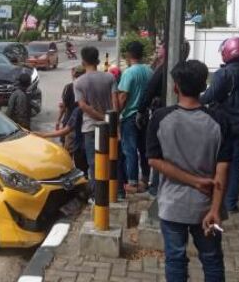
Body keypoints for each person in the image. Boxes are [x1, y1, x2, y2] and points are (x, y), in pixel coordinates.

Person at [147, 60, 230, 282]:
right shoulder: (218, 120)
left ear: (175, 87)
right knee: (212, 259)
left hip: (172, 205)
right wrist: (215, 209)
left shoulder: (160, 118)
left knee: (175, 259)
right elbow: (223, 167)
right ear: (204, 87)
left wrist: (192, 181)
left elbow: (154, 160)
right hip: (207, 206)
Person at [201, 37, 239, 213]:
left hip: (222, 125)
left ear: (227, 52)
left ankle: (214, 199)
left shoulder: (223, 74)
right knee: (236, 166)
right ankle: (231, 203)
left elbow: (209, 96)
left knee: (217, 163)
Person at [138, 40, 191, 196]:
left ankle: (155, 188)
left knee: (159, 152)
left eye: (160, 47)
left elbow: (149, 90)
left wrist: (141, 110)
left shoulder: (165, 69)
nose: (157, 50)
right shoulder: (186, 67)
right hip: (184, 114)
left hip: (164, 115)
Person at [74, 46, 117, 194]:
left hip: (91, 128)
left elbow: (83, 106)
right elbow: (115, 103)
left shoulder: (79, 82)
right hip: (110, 127)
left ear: (83, 61)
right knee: (111, 160)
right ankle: (113, 192)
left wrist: (100, 117)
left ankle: (97, 196)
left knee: (94, 163)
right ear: (98, 60)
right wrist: (110, 119)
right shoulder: (110, 77)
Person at [116, 41, 153, 194]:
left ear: (129, 55)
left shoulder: (129, 72)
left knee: (129, 150)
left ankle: (132, 182)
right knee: (143, 148)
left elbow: (123, 96)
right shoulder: (149, 71)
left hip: (130, 116)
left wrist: (116, 114)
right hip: (145, 115)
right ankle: (145, 179)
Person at [35, 103, 87, 174]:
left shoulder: (79, 110)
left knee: (84, 172)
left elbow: (66, 130)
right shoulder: (99, 106)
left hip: (81, 149)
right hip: (94, 148)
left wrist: (45, 135)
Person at [56, 66, 85, 132]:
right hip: (84, 121)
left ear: (74, 75)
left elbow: (63, 106)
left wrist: (58, 121)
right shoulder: (87, 86)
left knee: (68, 140)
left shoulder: (69, 87)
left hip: (70, 121)